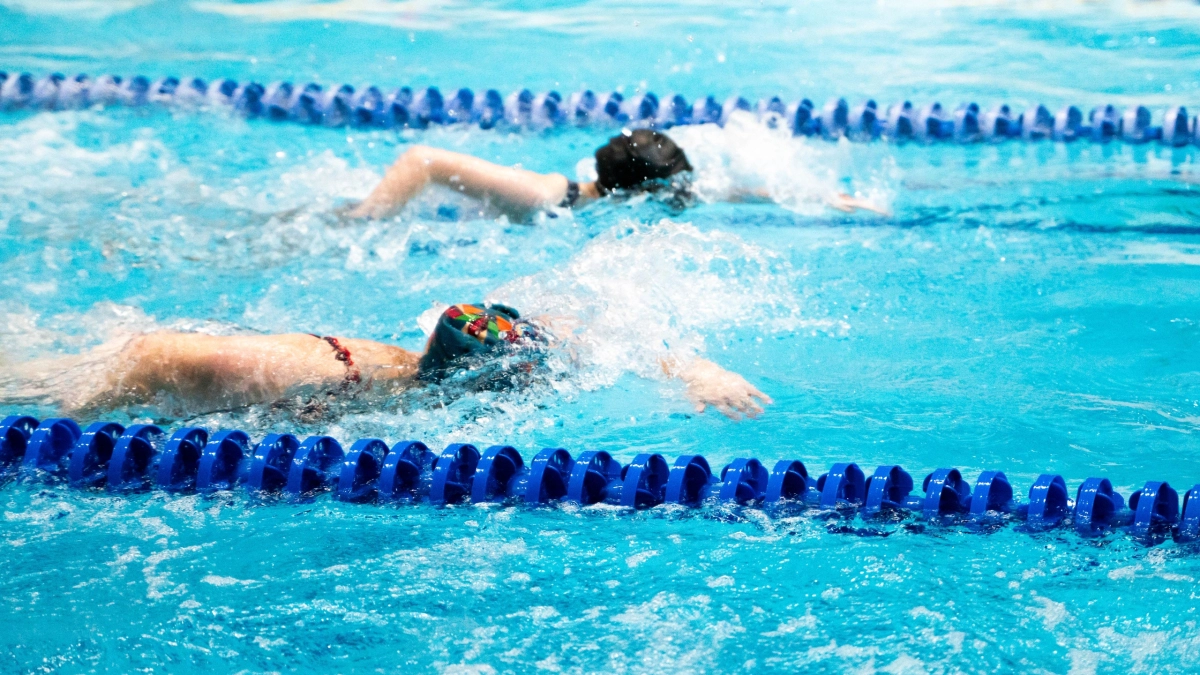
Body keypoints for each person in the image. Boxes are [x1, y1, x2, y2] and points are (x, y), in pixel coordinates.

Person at [62, 303, 772, 420]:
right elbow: (155, 357)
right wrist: (78, 413)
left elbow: (603, 339)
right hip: (105, 372)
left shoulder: (434, 377)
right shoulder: (329, 375)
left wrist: (693, 369)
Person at [348, 129, 884, 221]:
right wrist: (368, 217)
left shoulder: (633, 195)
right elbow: (422, 159)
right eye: (671, 187)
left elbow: (720, 193)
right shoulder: (544, 197)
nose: (682, 195)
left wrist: (818, 196)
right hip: (444, 220)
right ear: (643, 189)